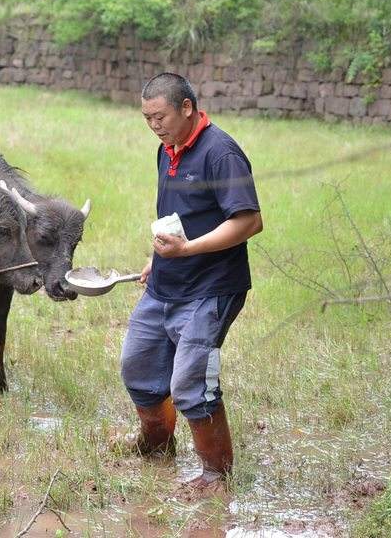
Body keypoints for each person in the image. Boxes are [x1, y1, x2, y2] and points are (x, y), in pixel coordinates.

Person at [120, 72, 263, 494]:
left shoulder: (221, 153)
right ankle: (156, 444)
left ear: (187, 108)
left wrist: (187, 250)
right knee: (138, 367)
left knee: (190, 383)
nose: (154, 125)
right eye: (147, 118)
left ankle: (216, 474)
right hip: (167, 281)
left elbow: (250, 221)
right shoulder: (167, 151)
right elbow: (176, 216)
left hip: (212, 287)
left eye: (160, 116)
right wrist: (155, 258)